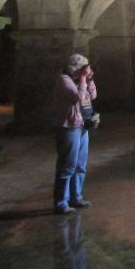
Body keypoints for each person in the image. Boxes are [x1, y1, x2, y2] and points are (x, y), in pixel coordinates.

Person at [52, 53, 97, 215]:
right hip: (68, 128)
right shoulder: (64, 80)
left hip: (82, 126)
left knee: (80, 165)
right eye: (83, 68)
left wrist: (89, 80)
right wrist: (84, 80)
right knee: (67, 166)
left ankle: (76, 197)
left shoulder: (79, 80)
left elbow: (92, 96)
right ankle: (61, 202)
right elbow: (78, 97)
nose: (86, 71)